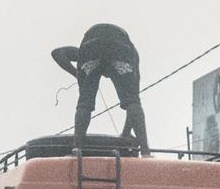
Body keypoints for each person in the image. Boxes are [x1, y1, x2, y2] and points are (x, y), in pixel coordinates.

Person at [51, 23, 149, 155]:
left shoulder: (82, 54)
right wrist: (125, 134)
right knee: (133, 101)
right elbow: (133, 102)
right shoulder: (133, 56)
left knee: (85, 102)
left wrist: (79, 75)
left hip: (91, 42)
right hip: (120, 43)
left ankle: (77, 148)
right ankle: (145, 151)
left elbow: (57, 53)